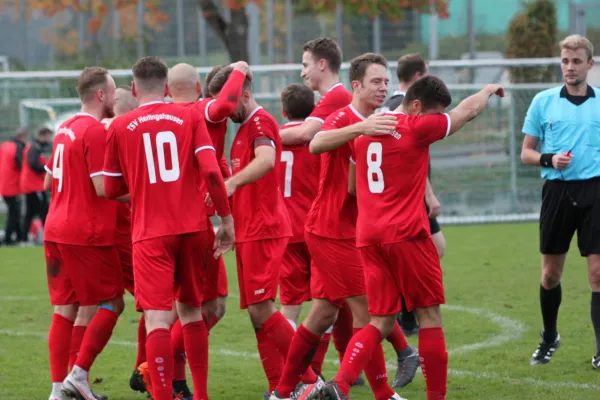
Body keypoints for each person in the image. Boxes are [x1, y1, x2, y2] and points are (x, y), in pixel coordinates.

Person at [315, 76, 504, 400]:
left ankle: (340, 384)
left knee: (381, 319)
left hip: (369, 236)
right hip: (406, 235)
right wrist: (487, 90)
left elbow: (350, 187)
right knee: (429, 314)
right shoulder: (416, 127)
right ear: (416, 106)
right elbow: (467, 112)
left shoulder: (367, 132)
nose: (434, 119)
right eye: (433, 112)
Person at [270, 53, 415, 400]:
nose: (384, 88)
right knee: (371, 314)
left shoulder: (378, 120)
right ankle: (384, 390)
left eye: (386, 82)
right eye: (376, 82)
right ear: (356, 85)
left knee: (321, 315)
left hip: (347, 231)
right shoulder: (344, 116)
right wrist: (361, 129)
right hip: (331, 231)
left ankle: (283, 391)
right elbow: (317, 142)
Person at [103, 56, 234, 400]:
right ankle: (201, 395)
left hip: (150, 232)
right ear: (165, 88)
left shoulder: (119, 127)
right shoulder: (190, 114)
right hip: (192, 228)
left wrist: (143, 185)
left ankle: (162, 395)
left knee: (159, 320)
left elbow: (110, 188)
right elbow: (210, 172)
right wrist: (227, 220)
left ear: (133, 88)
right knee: (192, 312)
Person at [207, 66, 322, 398]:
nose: (225, 111)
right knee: (257, 315)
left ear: (244, 94)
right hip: (248, 230)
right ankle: (279, 388)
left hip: (264, 229)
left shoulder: (259, 122)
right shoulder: (243, 126)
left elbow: (267, 160)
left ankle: (311, 378)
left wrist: (229, 184)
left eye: (228, 103)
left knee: (262, 308)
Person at [275, 36, 359, 381]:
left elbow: (306, 133)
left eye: (306, 64)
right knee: (336, 302)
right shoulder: (331, 100)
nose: (303, 70)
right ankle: (336, 373)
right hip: (320, 221)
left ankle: (297, 379)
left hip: (324, 222)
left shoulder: (337, 97)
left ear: (322, 64)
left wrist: (260, 137)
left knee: (347, 302)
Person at [43, 67, 125, 400]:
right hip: (85, 231)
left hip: (56, 226)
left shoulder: (65, 127)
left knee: (66, 309)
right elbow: (103, 188)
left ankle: (57, 391)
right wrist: (151, 193)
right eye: (114, 90)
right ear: (101, 95)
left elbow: (48, 182)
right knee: (113, 302)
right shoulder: (93, 131)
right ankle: (78, 375)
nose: (117, 96)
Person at [165, 61, 246, 399]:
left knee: (177, 310)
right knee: (202, 308)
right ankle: (161, 372)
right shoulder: (203, 111)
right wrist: (240, 67)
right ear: (199, 89)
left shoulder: (161, 118)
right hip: (197, 224)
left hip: (163, 223)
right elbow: (225, 105)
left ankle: (167, 376)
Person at [520, 34, 600, 368]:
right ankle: (550, 336)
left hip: (595, 191)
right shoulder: (543, 101)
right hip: (557, 192)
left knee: (597, 272)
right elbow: (526, 153)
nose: (569, 67)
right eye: (565, 61)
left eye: (576, 61)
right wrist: (549, 159)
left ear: (589, 64)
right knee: (551, 273)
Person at [383, 53, 446, 337]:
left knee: (436, 249)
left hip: (400, 200)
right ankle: (407, 318)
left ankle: (405, 316)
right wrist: (428, 195)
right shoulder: (403, 109)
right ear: (419, 77)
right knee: (431, 252)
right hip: (406, 201)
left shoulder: (388, 108)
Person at [277, 83, 319, 333]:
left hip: (285, 229)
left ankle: (289, 363)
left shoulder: (270, 140)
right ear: (313, 109)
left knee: (290, 303)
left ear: (283, 111)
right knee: (326, 302)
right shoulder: (318, 140)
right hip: (316, 228)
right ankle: (312, 365)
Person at [21, 127, 52, 238]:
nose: (50, 139)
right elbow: (33, 164)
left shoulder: (37, 147)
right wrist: (48, 168)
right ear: (43, 136)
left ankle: (24, 237)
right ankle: (47, 236)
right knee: (43, 211)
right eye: (49, 136)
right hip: (34, 186)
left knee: (31, 212)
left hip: (34, 185)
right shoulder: (34, 148)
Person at [0, 127, 28, 245]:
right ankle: (7, 238)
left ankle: (19, 235)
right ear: (23, 136)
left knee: (14, 211)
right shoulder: (19, 147)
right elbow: (20, 163)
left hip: (4, 183)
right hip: (13, 185)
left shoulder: (5, 145)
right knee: (14, 212)